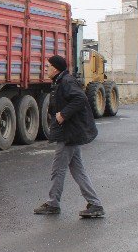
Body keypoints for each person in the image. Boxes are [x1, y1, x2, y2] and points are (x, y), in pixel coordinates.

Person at [34, 55, 105, 218]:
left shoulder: (66, 81)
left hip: (69, 133)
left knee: (58, 169)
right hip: (71, 132)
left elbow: (80, 98)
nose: (46, 69)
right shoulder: (61, 81)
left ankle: (53, 204)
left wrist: (63, 114)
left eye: (48, 66)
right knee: (78, 170)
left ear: (56, 68)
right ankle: (95, 204)